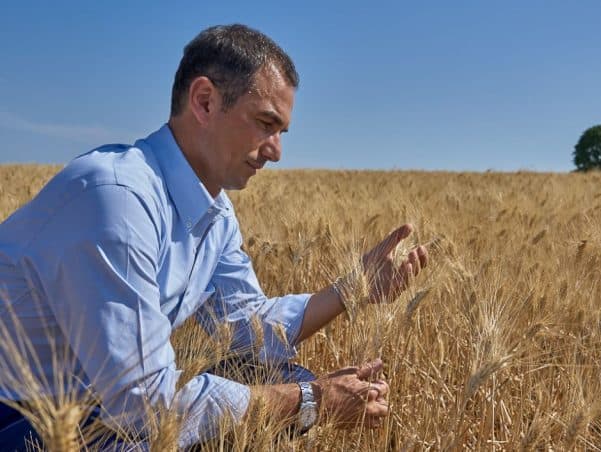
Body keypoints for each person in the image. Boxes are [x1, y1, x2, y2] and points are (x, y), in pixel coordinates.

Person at [0, 24, 428, 449]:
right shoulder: (116, 199)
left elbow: (245, 327)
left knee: (277, 377)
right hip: (21, 413)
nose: (277, 150)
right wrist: (311, 403)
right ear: (204, 101)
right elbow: (144, 406)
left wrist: (353, 289)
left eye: (282, 131)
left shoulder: (215, 211)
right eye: (266, 123)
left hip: (89, 402)